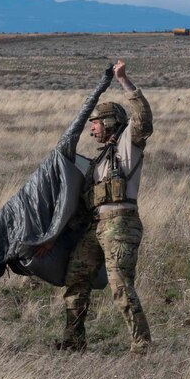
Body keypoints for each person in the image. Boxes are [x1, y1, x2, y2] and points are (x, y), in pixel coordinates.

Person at [60, 59, 153, 353]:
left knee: (121, 287)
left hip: (121, 225)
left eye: (96, 124)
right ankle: (74, 341)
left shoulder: (129, 143)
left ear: (111, 122)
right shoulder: (98, 162)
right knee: (76, 279)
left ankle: (142, 345)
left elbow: (144, 119)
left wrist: (123, 80)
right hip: (98, 226)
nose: (93, 131)